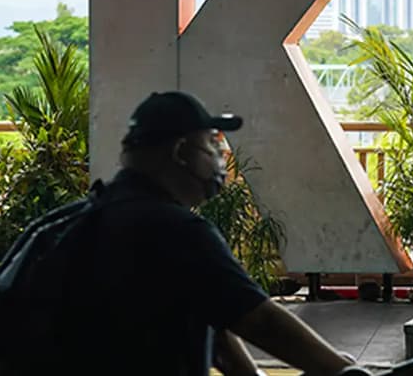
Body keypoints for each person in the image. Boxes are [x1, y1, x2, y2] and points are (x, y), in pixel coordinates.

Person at [68, 90, 357, 376]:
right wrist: (348, 373)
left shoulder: (72, 222)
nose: (221, 157)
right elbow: (261, 322)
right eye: (212, 144)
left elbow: (213, 319)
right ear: (181, 152)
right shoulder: (174, 230)